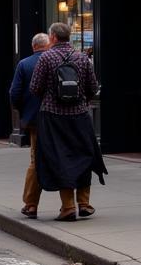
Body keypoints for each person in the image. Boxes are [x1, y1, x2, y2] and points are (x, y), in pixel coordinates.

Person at [29, 22, 106, 220]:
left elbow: (35, 88)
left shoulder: (46, 58)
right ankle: (84, 202)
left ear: (53, 37)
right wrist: (81, 102)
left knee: (60, 159)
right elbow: (92, 87)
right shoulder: (81, 58)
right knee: (83, 155)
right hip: (80, 116)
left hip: (53, 117)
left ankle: (68, 206)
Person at [9, 33, 50, 218]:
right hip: (61, 119)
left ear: (33, 46)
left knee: (36, 160)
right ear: (48, 45)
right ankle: (71, 205)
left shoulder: (24, 64)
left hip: (35, 119)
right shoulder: (56, 60)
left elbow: (14, 93)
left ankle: (31, 204)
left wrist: (24, 111)